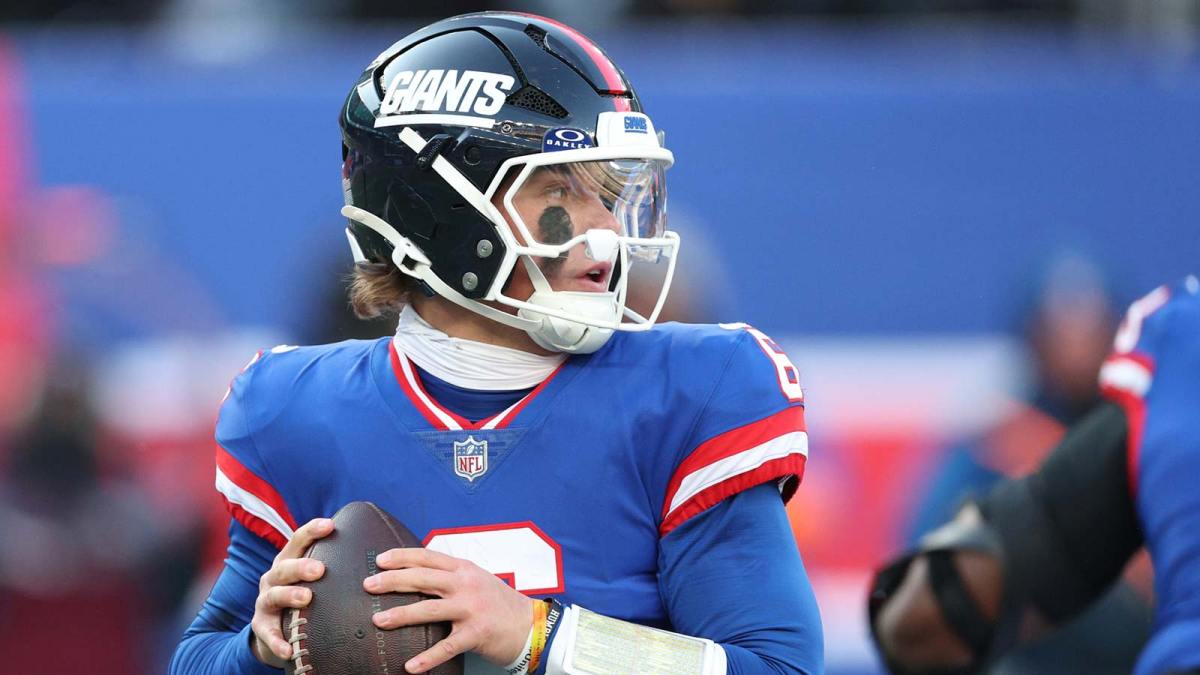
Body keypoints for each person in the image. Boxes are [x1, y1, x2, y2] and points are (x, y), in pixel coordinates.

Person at [170, 12, 822, 675]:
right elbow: (197, 658)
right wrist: (263, 648)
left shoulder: (690, 395)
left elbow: (779, 666)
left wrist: (538, 637)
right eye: (561, 190)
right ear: (438, 212)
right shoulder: (295, 414)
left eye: (611, 192)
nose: (606, 230)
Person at [867, 275, 1200, 675]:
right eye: (1059, 331)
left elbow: (922, 620)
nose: (1075, 345)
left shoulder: (1177, 344)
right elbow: (932, 606)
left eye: (1089, 328)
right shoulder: (1003, 437)